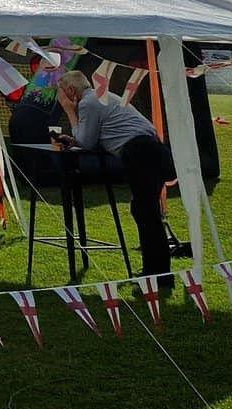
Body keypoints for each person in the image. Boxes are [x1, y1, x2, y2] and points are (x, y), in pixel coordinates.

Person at [57, 70, 174, 283]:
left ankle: (158, 275)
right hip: (152, 150)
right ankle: (156, 272)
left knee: (146, 213)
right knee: (145, 211)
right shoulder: (103, 96)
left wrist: (69, 110)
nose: (61, 98)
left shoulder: (87, 103)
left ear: (71, 91)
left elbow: (86, 141)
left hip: (141, 153)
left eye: (62, 94)